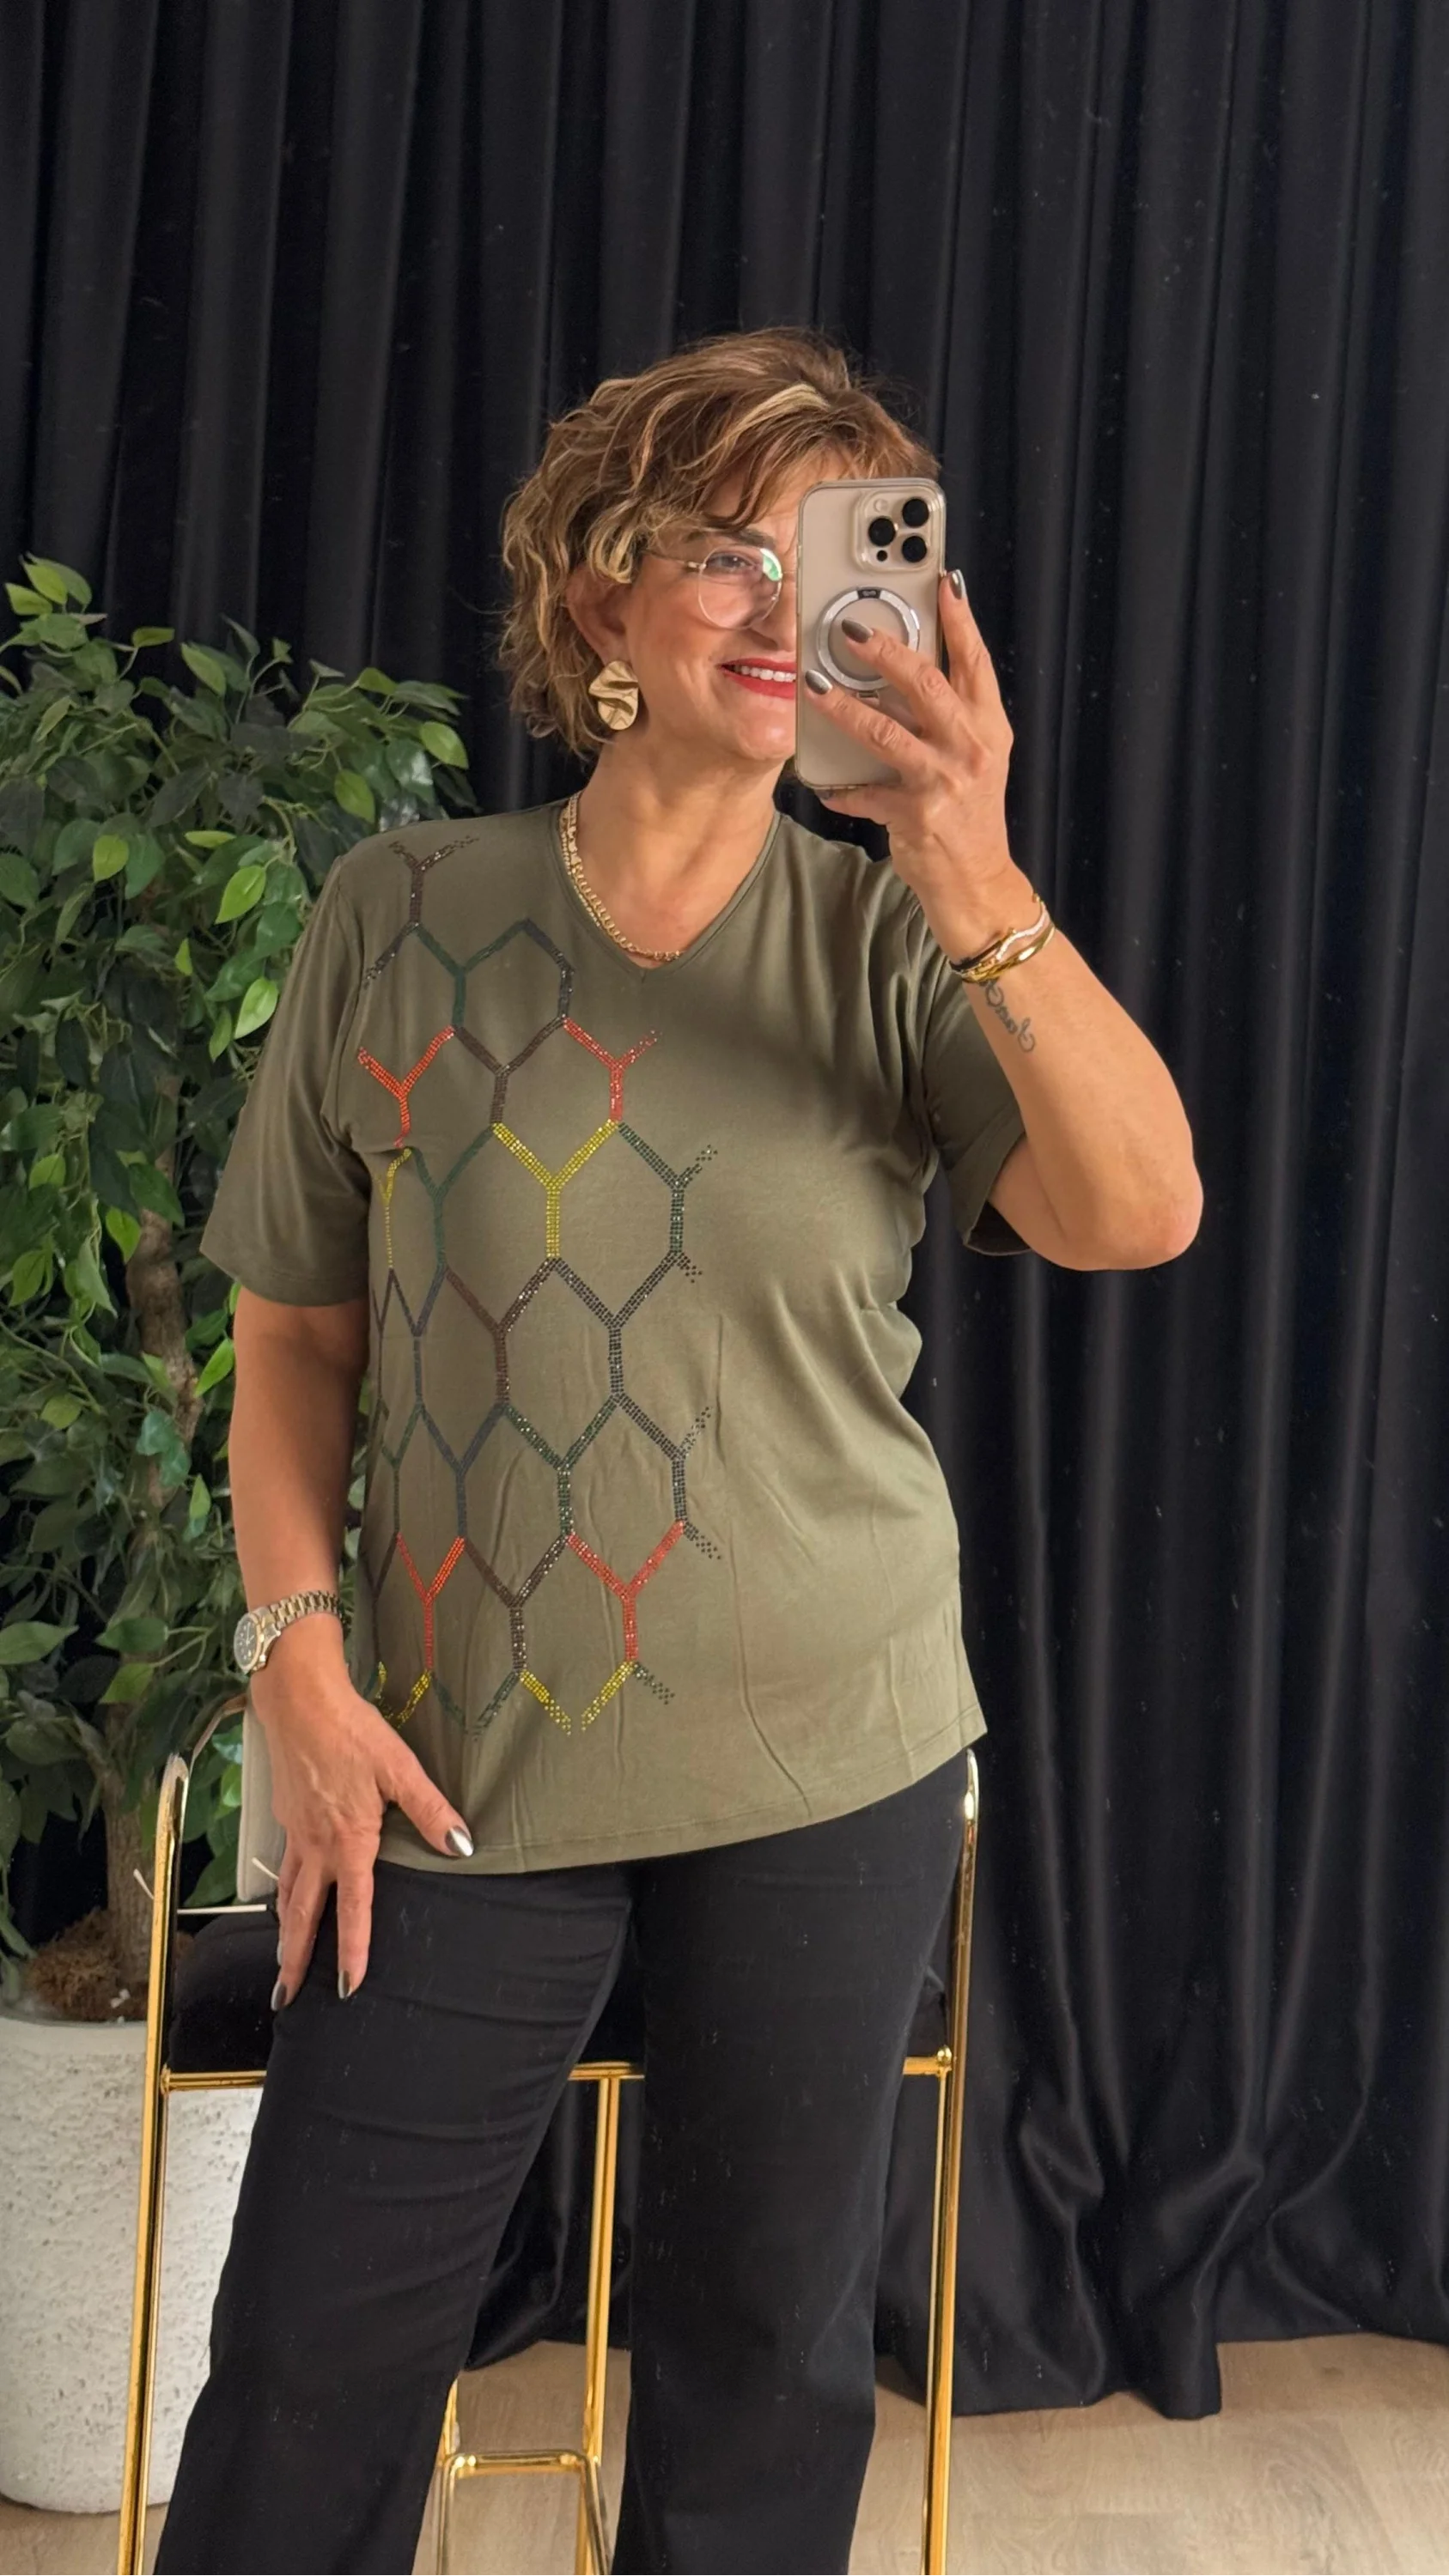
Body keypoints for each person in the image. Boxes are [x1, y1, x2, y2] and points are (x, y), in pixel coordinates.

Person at [153, 323, 1201, 2576]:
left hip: (825, 1754)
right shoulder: (398, 915)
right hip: (445, 1764)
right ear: (597, 591)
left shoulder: (898, 939)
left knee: (757, 2379)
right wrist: (294, 1658)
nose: (778, 603)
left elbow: (1135, 1215)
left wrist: (963, 853)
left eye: (833, 556)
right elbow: (294, 1349)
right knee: (311, 2373)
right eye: (724, 548)